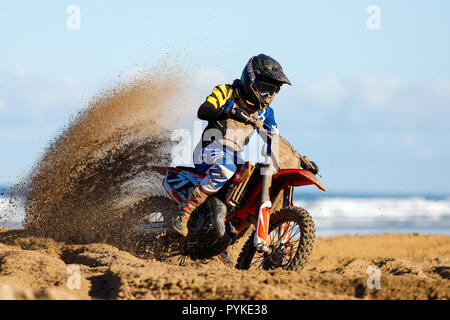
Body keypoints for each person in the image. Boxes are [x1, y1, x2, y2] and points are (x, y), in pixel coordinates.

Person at [172, 54, 312, 237]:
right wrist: (230, 110)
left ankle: (223, 236)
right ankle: (184, 211)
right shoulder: (227, 92)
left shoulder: (265, 113)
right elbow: (203, 110)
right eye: (264, 88)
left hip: (233, 158)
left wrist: (300, 158)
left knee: (251, 181)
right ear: (251, 79)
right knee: (226, 166)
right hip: (208, 151)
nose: (268, 95)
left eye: (273, 91)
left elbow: (275, 139)